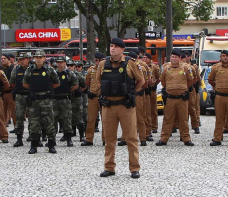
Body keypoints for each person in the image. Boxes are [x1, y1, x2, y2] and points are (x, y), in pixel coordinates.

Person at [95, 38, 145, 177]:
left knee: (131, 138)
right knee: (109, 139)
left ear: (122, 49)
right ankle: (109, 167)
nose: (113, 49)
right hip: (108, 106)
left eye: (116, 47)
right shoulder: (103, 64)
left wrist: (132, 93)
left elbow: (141, 80)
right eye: (111, 46)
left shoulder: (130, 63)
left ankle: (134, 168)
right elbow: (99, 81)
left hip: (125, 105)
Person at [22, 50, 60, 154]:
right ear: (34, 58)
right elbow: (25, 83)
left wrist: (46, 89)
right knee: (34, 123)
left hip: (46, 100)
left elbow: (56, 83)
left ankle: (51, 145)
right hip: (34, 101)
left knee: (49, 122)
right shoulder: (29, 70)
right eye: (36, 57)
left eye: (40, 57)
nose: (38, 59)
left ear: (44, 58)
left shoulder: (50, 70)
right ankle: (34, 146)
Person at [156, 49, 196, 146]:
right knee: (167, 119)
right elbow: (163, 81)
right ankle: (164, 138)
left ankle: (186, 138)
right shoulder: (166, 68)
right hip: (170, 98)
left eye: (176, 57)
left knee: (183, 119)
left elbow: (191, 80)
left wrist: (183, 88)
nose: (173, 59)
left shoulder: (185, 68)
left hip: (182, 98)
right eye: (172, 57)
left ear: (179, 58)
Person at [207, 50, 228, 146]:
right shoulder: (215, 68)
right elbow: (210, 79)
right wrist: (215, 87)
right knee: (219, 118)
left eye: (227, 56)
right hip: (219, 96)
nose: (225, 57)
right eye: (223, 56)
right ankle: (217, 138)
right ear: (220, 57)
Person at [53, 56, 79, 146]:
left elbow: (76, 85)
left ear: (65, 63)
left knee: (67, 119)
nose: (60, 64)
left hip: (65, 98)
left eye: (62, 62)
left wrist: (68, 91)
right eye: (58, 62)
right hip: (55, 99)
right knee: (53, 119)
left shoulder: (69, 73)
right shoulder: (53, 73)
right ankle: (52, 139)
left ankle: (68, 138)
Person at [82, 52, 104, 146]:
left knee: (106, 120)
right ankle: (89, 139)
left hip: (103, 97)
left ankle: (105, 139)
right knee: (91, 119)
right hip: (93, 97)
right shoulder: (91, 70)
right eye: (96, 60)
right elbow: (87, 83)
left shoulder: (106, 70)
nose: (98, 62)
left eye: (100, 60)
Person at [10, 52, 31, 147]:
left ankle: (33, 136)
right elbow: (12, 82)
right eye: (20, 60)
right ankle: (19, 138)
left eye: (24, 59)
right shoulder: (16, 69)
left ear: (28, 59)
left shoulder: (32, 69)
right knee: (19, 117)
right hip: (19, 95)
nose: (22, 61)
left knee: (33, 117)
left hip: (30, 95)